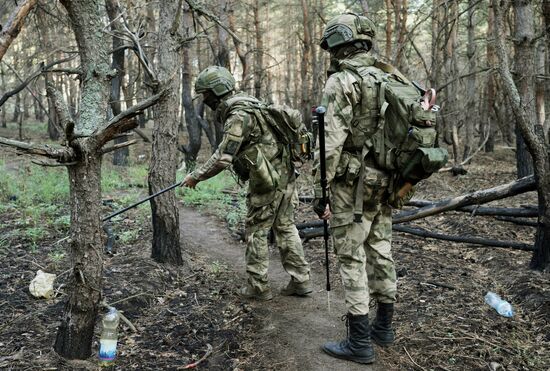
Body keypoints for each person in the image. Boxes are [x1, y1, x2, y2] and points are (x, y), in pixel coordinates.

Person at [182, 66, 312, 301]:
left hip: (267, 179)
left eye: (207, 95)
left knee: (257, 230)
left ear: (216, 91)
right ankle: (300, 280)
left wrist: (196, 176)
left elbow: (223, 157)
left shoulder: (238, 115)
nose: (206, 100)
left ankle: (258, 286)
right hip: (284, 175)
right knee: (285, 226)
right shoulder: (251, 103)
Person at [312, 13, 397, 364]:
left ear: (338, 44)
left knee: (350, 254)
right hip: (387, 177)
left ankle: (359, 342)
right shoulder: (389, 77)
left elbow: (330, 143)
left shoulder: (342, 82)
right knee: (380, 246)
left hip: (353, 182)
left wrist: (320, 190)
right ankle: (384, 328)